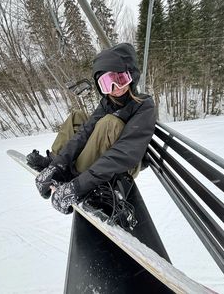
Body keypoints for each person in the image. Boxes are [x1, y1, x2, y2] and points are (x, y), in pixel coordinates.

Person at [27, 43, 156, 215]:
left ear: (131, 75)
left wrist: (78, 186)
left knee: (109, 122)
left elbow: (125, 151)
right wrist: (57, 165)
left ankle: (76, 176)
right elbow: (84, 133)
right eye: (107, 84)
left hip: (125, 164)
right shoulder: (107, 102)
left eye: (120, 80)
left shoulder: (144, 105)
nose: (115, 89)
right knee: (78, 117)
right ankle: (58, 163)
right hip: (104, 160)